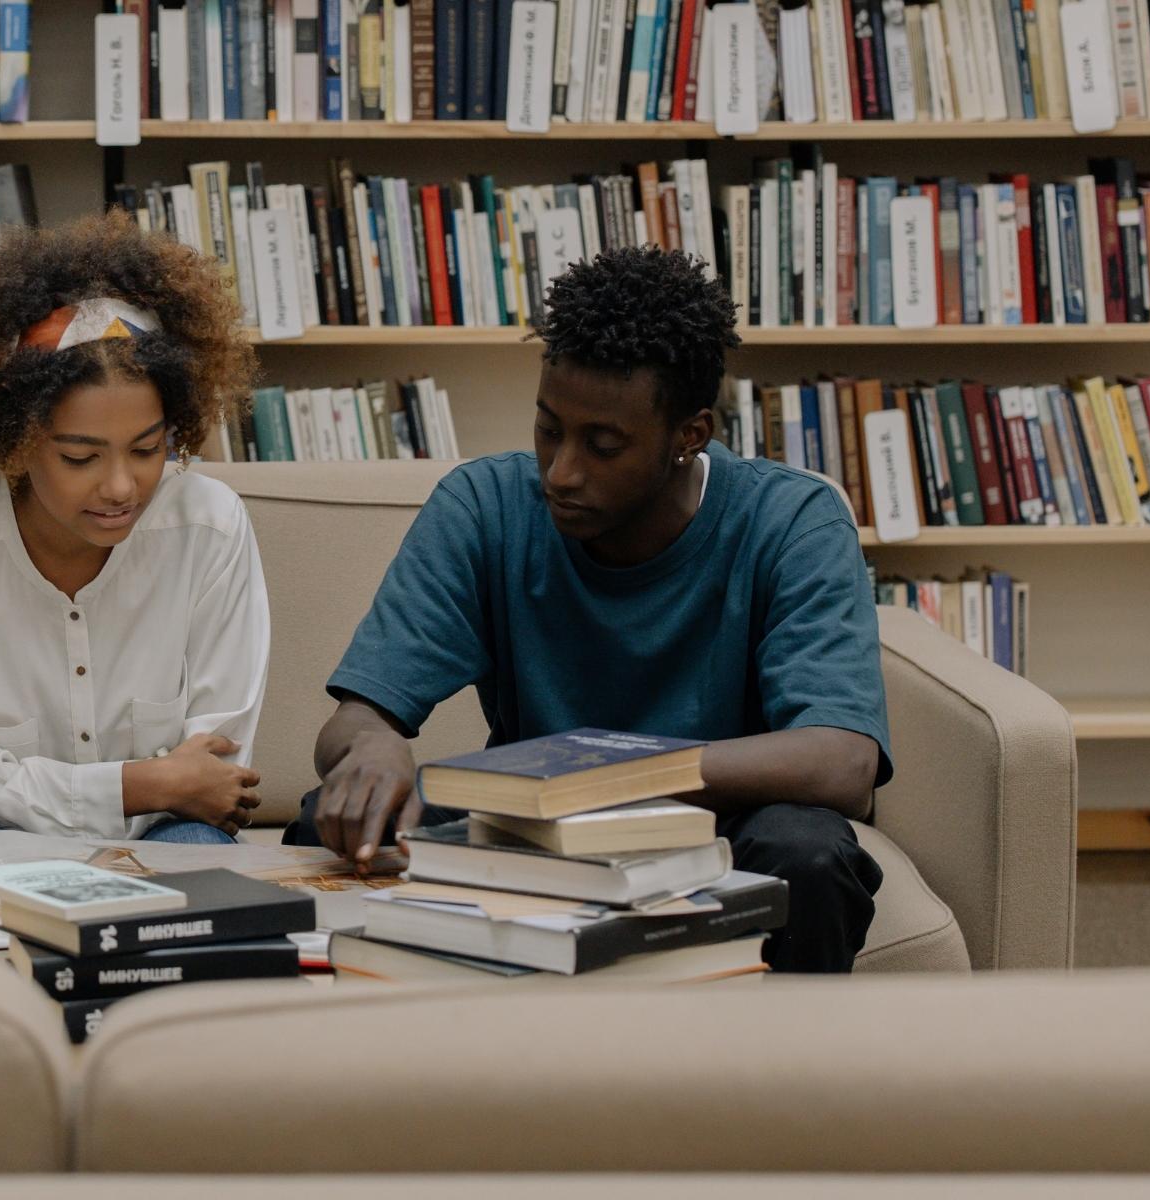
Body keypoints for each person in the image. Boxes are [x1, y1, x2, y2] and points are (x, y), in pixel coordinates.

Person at [289, 245, 889, 973]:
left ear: (689, 436)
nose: (562, 472)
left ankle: (779, 1085)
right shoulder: (484, 508)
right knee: (330, 814)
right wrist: (373, 743)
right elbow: (353, 720)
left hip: (722, 826)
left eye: (603, 445)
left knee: (810, 852)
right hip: (536, 825)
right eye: (549, 429)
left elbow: (841, 762)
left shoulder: (793, 519)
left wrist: (608, 775)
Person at [0, 212, 271, 844]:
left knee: (197, 851)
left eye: (146, 449)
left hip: (168, 832)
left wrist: (152, 791)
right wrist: (142, 785)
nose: (121, 487)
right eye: (81, 458)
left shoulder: (210, 525)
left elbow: (212, 781)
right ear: (17, 442)